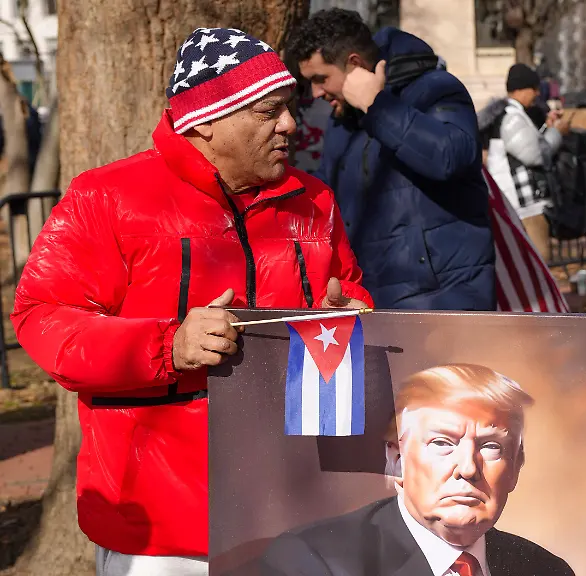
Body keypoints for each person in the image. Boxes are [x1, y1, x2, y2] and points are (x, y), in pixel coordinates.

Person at [10, 28, 372, 576]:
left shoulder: (314, 201)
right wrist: (167, 345)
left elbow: (352, 290)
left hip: (297, 505)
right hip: (163, 527)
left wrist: (354, 314)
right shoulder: (105, 198)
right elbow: (42, 317)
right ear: (204, 119)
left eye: (291, 108)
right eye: (269, 111)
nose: (291, 126)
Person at [260, 364, 576, 576]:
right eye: (442, 443)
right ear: (396, 460)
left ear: (516, 468)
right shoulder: (315, 562)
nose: (467, 468)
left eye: (491, 446)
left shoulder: (546, 569)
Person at [288, 9, 496, 311]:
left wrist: (377, 106)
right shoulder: (342, 118)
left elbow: (451, 157)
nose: (316, 92)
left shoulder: (436, 88)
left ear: (355, 65)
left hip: (445, 297)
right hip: (373, 298)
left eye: (321, 79)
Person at [477, 63, 570, 221]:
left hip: (518, 204)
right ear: (522, 89)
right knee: (538, 245)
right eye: (535, 89)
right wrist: (557, 132)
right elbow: (535, 154)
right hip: (524, 207)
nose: (538, 93)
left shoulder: (511, 115)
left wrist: (547, 128)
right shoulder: (512, 118)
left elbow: (527, 145)